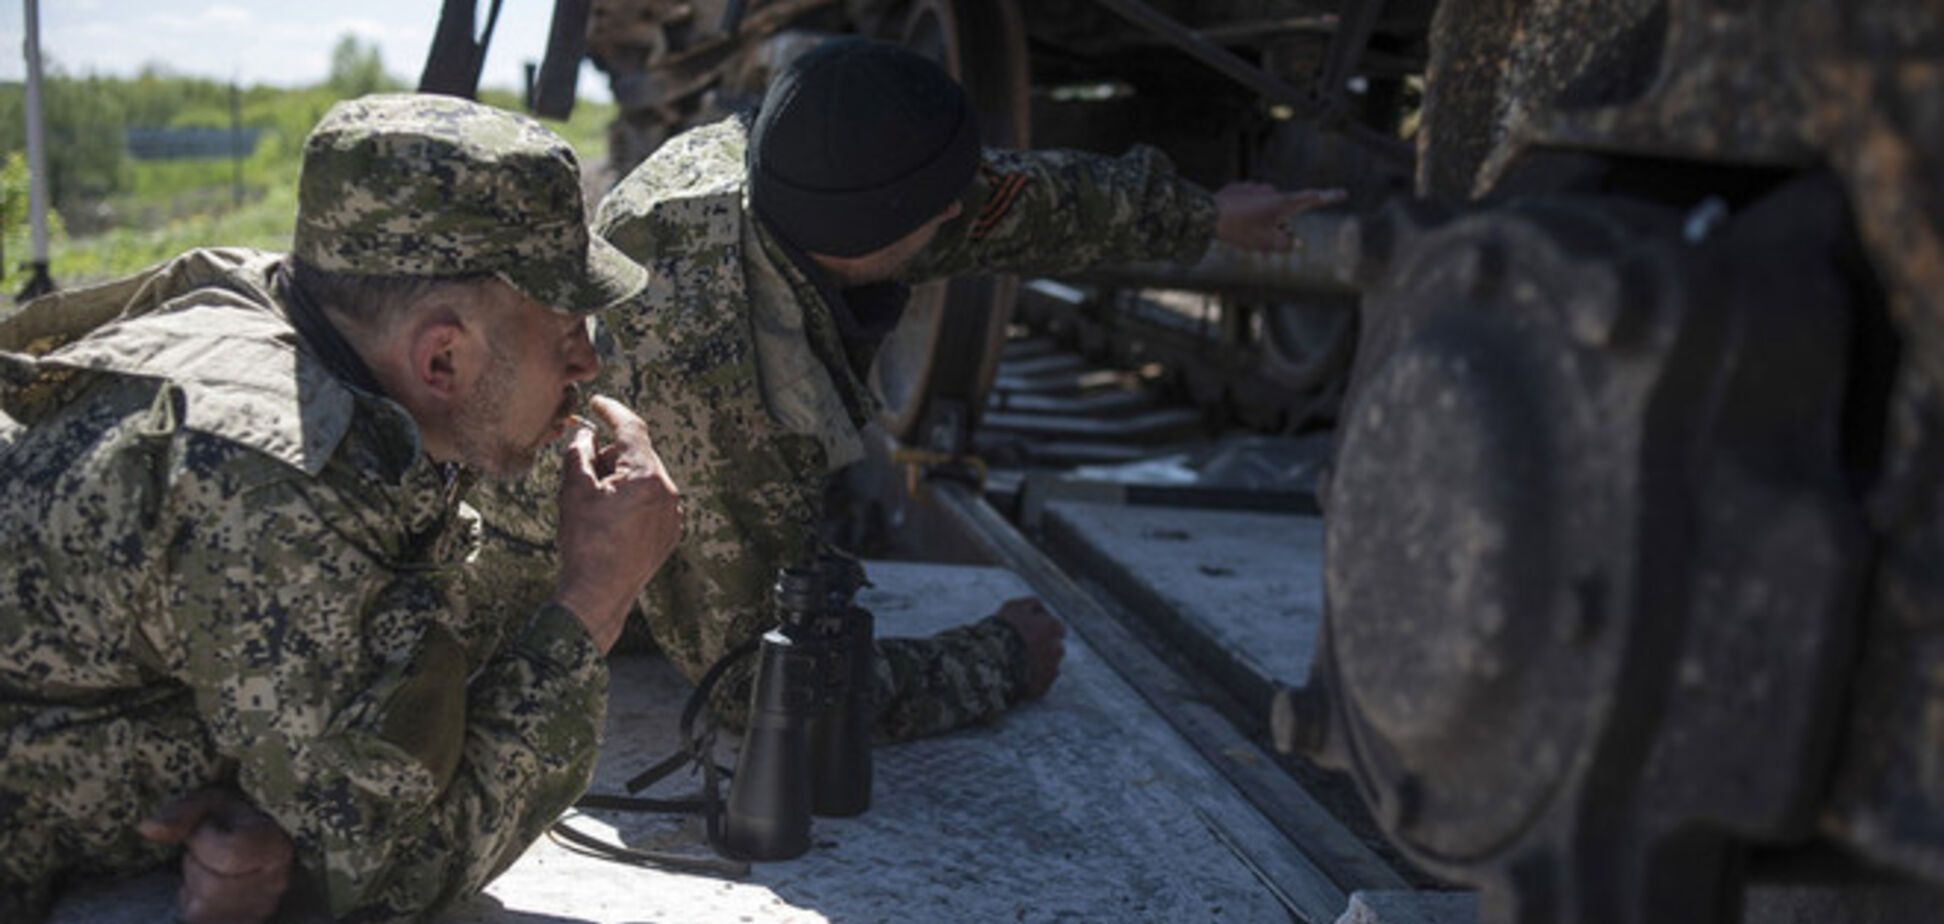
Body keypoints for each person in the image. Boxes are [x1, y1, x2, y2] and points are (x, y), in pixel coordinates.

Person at [471, 36, 1343, 741]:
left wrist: (1199, 214)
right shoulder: (725, 388)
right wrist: (998, 659)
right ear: (864, 241)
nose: (958, 218)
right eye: (937, 215)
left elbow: (1005, 200)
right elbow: (757, 690)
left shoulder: (787, 160)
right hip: (545, 600)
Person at [0, 94, 682, 923]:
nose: (588, 363)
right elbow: (391, 877)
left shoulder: (316, 318)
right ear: (441, 356)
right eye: (567, 330)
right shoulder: (271, 484)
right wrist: (593, 604)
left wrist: (284, 808)